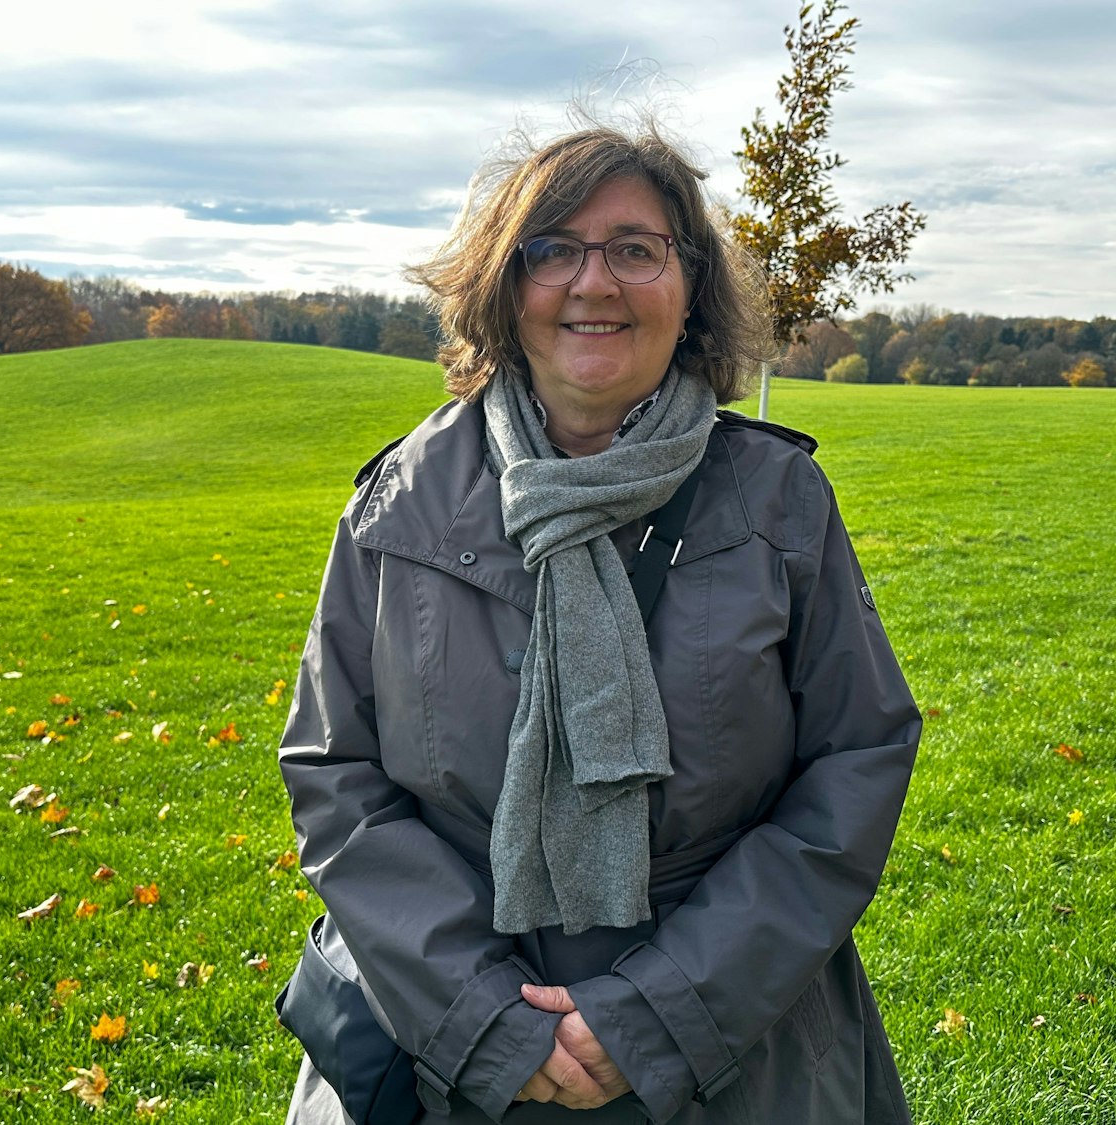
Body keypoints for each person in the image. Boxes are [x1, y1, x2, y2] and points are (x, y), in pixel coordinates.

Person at [279, 122, 921, 1124]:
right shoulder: (399, 504)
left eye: (634, 248)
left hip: (735, 1055)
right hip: (435, 1047)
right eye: (552, 249)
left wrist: (658, 1016)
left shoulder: (776, 499)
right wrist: (487, 1022)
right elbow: (336, 778)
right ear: (503, 283)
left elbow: (855, 760)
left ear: (689, 283)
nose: (593, 283)